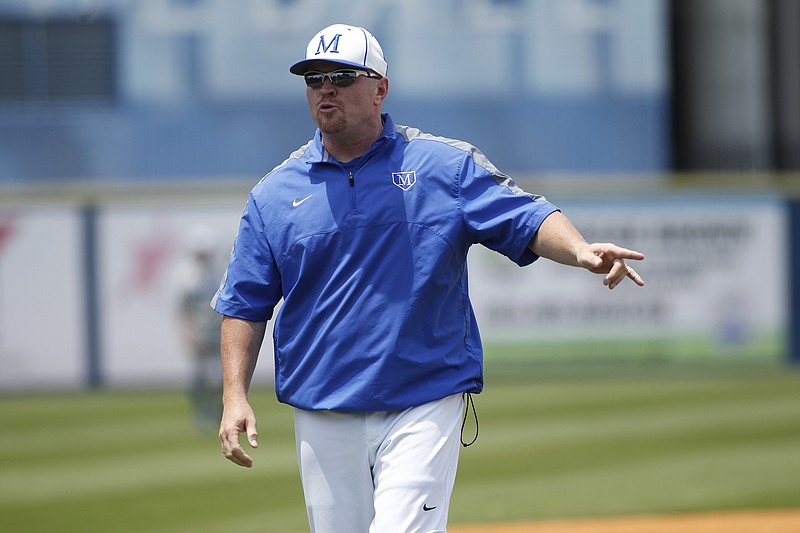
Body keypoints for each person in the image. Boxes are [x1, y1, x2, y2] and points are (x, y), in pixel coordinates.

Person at [213, 23, 645, 533]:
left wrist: (580, 250)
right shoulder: (273, 194)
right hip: (322, 404)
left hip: (423, 397)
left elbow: (525, 216)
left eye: (341, 75)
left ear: (380, 89)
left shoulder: (443, 166)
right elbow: (244, 301)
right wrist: (234, 395)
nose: (325, 88)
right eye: (313, 78)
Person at [176, 225, 223, 431]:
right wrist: (188, 332)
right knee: (199, 376)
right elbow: (182, 309)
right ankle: (202, 411)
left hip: (217, 330)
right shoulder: (185, 276)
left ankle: (219, 410)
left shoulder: (218, 271)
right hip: (198, 331)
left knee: (221, 375)